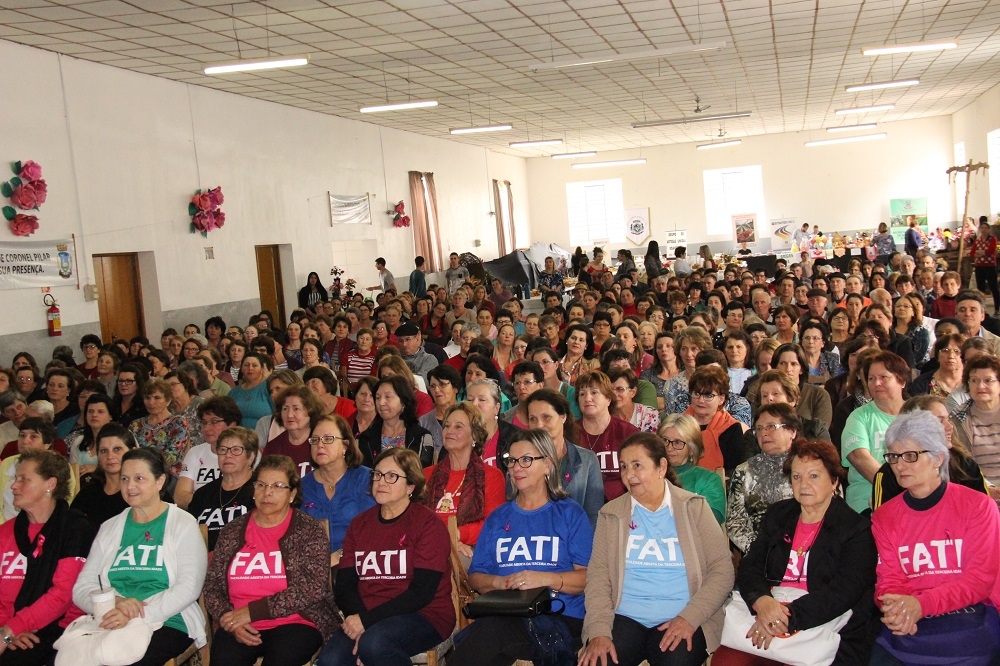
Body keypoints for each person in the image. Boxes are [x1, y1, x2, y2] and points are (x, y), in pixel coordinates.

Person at [712, 439, 878, 666]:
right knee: (726, 661)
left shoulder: (855, 528)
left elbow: (844, 592)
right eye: (797, 477)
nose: (803, 484)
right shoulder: (779, 514)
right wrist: (762, 603)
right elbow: (751, 565)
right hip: (770, 608)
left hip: (824, 621)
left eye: (814, 476)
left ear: (834, 481)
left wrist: (785, 618)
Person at [578, 433, 734, 666]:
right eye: (623, 467)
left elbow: (722, 570)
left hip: (682, 615)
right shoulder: (611, 514)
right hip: (625, 617)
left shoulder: (694, 507)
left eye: (637, 465)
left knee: (676, 660)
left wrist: (689, 618)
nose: (628, 474)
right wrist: (599, 631)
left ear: (661, 467)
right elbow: (598, 577)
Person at [449, 429, 593, 666]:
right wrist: (500, 583)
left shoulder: (570, 513)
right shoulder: (498, 517)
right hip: (508, 613)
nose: (516, 467)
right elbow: (476, 577)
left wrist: (545, 579)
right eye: (512, 460)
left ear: (548, 464)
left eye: (526, 460)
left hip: (562, 615)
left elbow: (588, 578)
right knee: (490, 635)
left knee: (488, 634)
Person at [869, 411, 1000, 665]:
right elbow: (889, 580)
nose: (899, 465)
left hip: (972, 615)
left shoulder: (977, 506)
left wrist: (921, 604)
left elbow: (979, 581)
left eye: (910, 456)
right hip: (913, 619)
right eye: (894, 457)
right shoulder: (885, 516)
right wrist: (895, 608)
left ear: (938, 458)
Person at [317, 448, 455, 666]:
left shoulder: (428, 524)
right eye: (378, 475)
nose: (381, 482)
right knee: (331, 660)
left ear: (411, 486)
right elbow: (344, 586)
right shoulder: (359, 525)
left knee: (375, 644)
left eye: (392, 476)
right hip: (366, 613)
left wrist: (367, 623)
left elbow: (421, 592)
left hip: (424, 614)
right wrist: (362, 621)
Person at [72, 447, 208, 665]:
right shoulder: (109, 527)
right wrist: (113, 604)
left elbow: (188, 588)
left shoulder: (182, 523)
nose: (129, 486)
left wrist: (134, 614)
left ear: (160, 481)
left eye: (139, 478)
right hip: (112, 617)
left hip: (168, 619)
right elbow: (82, 587)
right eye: (124, 478)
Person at [203, 454, 339, 666]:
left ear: (292, 494)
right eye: (261, 485)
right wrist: (228, 618)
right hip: (239, 621)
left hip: (297, 620)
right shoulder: (232, 531)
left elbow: (313, 586)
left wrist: (253, 612)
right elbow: (212, 586)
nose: (267, 492)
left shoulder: (308, 530)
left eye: (277, 486)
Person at [0, 450, 95, 666]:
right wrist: (6, 631)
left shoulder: (74, 529)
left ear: (50, 484)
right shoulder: (5, 532)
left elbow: (62, 596)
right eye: (16, 478)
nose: (14, 485)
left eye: (24, 479)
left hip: (57, 628)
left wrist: (10, 630)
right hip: (10, 629)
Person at [423, 403, 506, 560]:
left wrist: (456, 535)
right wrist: (446, 540)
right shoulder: (427, 474)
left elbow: (493, 525)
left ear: (474, 435)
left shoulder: (492, 476)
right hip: (428, 544)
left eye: (458, 427)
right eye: (447, 426)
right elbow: (416, 520)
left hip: (471, 548)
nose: (449, 431)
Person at [524, 389, 603, 528]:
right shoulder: (520, 462)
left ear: (563, 417)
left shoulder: (587, 460)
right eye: (533, 419)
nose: (539, 425)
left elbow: (594, 514)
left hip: (575, 541)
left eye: (546, 417)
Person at [841, 351, 908, 513]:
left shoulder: (917, 415)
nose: (876, 383)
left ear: (902, 381)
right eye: (871, 378)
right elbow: (860, 458)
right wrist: (895, 491)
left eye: (884, 377)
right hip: (866, 501)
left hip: (913, 498)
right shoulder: (859, 417)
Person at [727, 403, 798, 555]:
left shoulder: (808, 468)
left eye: (771, 426)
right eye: (759, 428)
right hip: (759, 555)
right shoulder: (743, 472)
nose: (764, 433)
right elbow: (735, 522)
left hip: (803, 552)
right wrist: (760, 551)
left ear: (792, 431)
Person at [187, 426, 258, 551]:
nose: (228, 455)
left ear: (250, 457)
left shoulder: (260, 490)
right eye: (223, 450)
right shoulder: (203, 494)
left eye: (236, 450)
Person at [575, 371, 640, 500]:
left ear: (608, 399)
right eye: (582, 394)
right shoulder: (569, 433)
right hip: (579, 505)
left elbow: (638, 474)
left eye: (594, 392)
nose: (587, 398)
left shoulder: (628, 433)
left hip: (621, 505)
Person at [659, 414, 726, 524]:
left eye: (677, 442)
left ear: (692, 449)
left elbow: (711, 520)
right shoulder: (649, 476)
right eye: (665, 440)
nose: (669, 448)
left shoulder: (708, 479)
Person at [948, 354, 1000, 495]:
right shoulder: (957, 419)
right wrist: (988, 489)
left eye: (988, 380)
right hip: (979, 492)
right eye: (974, 380)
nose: (980, 386)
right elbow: (963, 466)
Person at [356, 375, 434, 468]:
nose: (381, 403)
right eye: (377, 398)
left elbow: (421, 475)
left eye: (388, 397)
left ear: (403, 401)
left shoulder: (422, 437)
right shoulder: (365, 439)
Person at [71, 423, 135, 530]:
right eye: (104, 451)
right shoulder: (87, 495)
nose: (110, 456)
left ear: (132, 452)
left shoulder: (144, 492)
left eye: (117, 449)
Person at [685, 366, 748, 476]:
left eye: (708, 396)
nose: (700, 400)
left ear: (721, 399)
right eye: (696, 393)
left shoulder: (731, 429)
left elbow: (733, 471)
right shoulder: (678, 424)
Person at [126, 377, 192, 480]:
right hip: (137, 475)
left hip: (168, 478)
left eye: (157, 398)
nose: (151, 402)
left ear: (168, 400)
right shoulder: (135, 425)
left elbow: (170, 458)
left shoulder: (178, 423)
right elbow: (129, 453)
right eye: (147, 397)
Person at [464, 378, 522, 469]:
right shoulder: (458, 437)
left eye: (482, 400)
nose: (474, 404)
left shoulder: (516, 437)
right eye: (470, 400)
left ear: (496, 408)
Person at [229, 353, 275, 429]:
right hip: (239, 436)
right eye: (246, 365)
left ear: (262, 369)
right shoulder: (234, 392)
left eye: (254, 365)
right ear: (241, 369)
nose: (250, 368)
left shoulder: (270, 388)